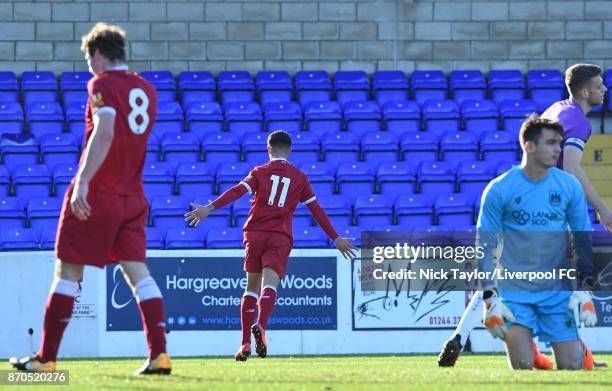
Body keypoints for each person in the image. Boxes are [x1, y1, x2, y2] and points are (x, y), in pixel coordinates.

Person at [9, 23, 171, 375]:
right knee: (138, 274)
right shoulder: (146, 89)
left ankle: (46, 359)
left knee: (67, 270)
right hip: (133, 195)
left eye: (87, 58)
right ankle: (159, 355)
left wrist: (83, 181)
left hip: (99, 193)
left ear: (98, 53)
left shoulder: (102, 84)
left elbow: (105, 129)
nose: (88, 65)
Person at [439, 63, 607, 369]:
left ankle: (461, 337)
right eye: (599, 86)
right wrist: (602, 207)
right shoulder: (579, 123)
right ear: (584, 91)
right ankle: (551, 349)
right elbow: (571, 167)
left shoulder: (557, 108)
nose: (604, 90)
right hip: (544, 204)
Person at [185, 130, 356, 361]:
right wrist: (335, 238)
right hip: (279, 236)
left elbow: (237, 191)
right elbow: (316, 209)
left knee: (251, 288)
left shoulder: (259, 172)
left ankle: (245, 343)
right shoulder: (299, 177)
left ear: (268, 149)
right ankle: (261, 327)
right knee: (271, 285)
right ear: (290, 150)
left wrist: (209, 208)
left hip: (254, 233)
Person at [477, 115, 596, 370]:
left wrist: (585, 290)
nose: (559, 149)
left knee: (572, 366)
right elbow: (484, 244)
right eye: (551, 143)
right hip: (514, 293)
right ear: (529, 146)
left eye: (560, 143)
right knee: (522, 366)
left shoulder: (569, 185)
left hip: (556, 293)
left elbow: (581, 239)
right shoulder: (499, 189)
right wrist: (489, 299)